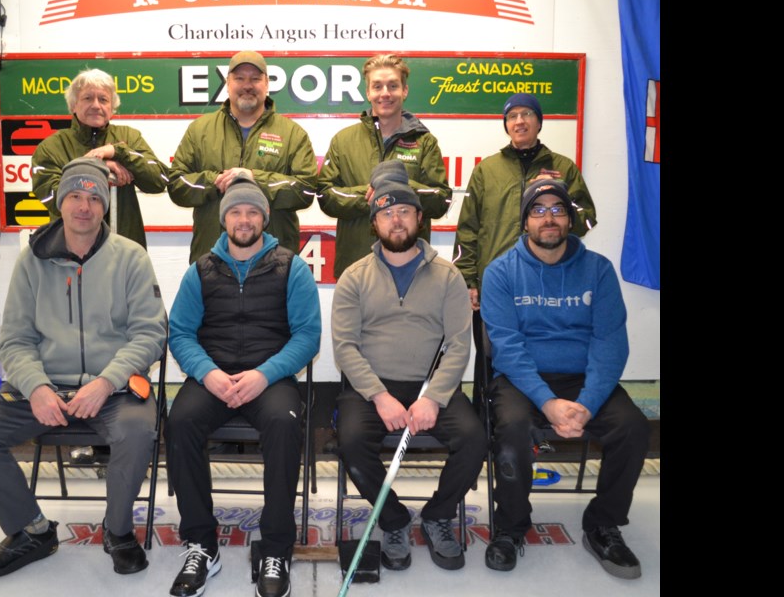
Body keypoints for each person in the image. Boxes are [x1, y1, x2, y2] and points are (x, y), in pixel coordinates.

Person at [0, 158, 167, 578]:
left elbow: (150, 334)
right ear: (61, 203)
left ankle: (118, 532)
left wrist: (106, 382)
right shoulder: (31, 261)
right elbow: (14, 339)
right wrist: (36, 387)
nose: (84, 207)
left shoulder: (131, 258)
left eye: (93, 198)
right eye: (74, 196)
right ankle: (31, 531)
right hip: (46, 390)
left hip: (114, 390)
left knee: (139, 430)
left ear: (104, 206)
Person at [480, 179, 649, 579]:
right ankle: (511, 526)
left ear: (570, 219)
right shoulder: (500, 272)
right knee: (512, 429)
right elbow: (507, 347)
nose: (549, 218)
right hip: (523, 379)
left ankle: (602, 524)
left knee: (634, 428)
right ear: (525, 222)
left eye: (557, 209)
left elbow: (610, 343)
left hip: (583, 380)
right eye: (538, 211)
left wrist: (587, 403)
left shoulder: (598, 270)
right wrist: (547, 402)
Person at [165, 178, 321, 597]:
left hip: (270, 377)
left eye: (253, 212)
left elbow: (308, 336)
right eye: (236, 212)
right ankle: (201, 544)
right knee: (179, 422)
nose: (244, 219)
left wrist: (263, 375)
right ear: (224, 220)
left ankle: (275, 549)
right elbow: (180, 333)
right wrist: (208, 373)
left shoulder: (292, 266)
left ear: (265, 218)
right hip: (213, 375)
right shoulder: (201, 270)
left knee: (285, 425)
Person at [332, 161, 486, 573]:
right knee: (349, 442)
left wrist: (434, 397)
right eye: (386, 213)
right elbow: (344, 347)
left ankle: (438, 515)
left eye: (404, 211)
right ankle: (394, 519)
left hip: (431, 386)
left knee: (474, 439)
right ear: (374, 223)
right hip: (371, 389)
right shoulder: (354, 277)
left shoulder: (448, 276)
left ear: (420, 217)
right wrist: (379, 396)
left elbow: (458, 344)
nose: (396, 220)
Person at [167, 51, 318, 263]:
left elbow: (306, 189)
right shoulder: (200, 130)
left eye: (255, 79)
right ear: (227, 83)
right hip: (212, 261)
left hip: (274, 263)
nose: (247, 85)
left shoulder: (292, 134)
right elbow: (176, 184)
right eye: (239, 78)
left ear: (266, 84)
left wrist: (255, 179)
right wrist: (215, 181)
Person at [454, 92, 597, 312]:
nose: (519, 121)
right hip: (496, 281)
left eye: (526, 114)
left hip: (548, 280)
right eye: (512, 116)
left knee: (547, 344)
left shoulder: (564, 167)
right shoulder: (486, 170)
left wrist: (559, 195)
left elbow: (586, 221)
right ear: (506, 125)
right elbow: (467, 229)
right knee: (493, 347)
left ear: (539, 122)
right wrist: (468, 280)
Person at [318, 54, 451, 279]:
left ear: (405, 91)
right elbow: (325, 196)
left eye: (393, 86)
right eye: (377, 86)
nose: (385, 93)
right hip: (356, 268)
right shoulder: (343, 141)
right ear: (368, 92)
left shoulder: (425, 142)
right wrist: (369, 195)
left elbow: (441, 200)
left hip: (413, 270)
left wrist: (400, 189)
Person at [32, 68, 168, 249]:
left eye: (103, 99)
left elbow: (160, 180)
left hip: (123, 250)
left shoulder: (129, 137)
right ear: (73, 105)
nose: (96, 105)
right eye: (88, 98)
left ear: (112, 107)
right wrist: (101, 167)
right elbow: (51, 197)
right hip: (71, 253)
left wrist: (118, 151)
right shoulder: (51, 147)